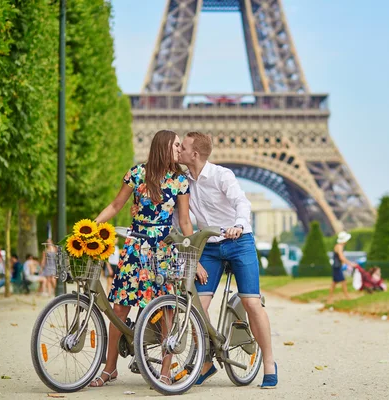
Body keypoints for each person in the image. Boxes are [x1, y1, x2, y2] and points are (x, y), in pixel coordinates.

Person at [89, 130, 192, 387]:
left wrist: (194, 254)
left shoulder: (180, 181)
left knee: (166, 310)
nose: (180, 149)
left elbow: (185, 221)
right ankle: (109, 368)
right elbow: (115, 206)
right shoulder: (136, 174)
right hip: (136, 247)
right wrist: (91, 226)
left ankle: (165, 372)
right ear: (163, 146)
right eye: (176, 145)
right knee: (120, 308)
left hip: (164, 251)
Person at [177, 131, 278, 389]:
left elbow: (241, 203)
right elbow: (180, 216)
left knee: (251, 302)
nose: (179, 150)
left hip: (238, 242)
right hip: (208, 247)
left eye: (184, 147)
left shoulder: (223, 175)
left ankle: (269, 362)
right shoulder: (183, 181)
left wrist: (239, 225)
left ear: (195, 154)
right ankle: (207, 361)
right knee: (197, 307)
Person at [328, 231, 356, 304]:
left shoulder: (339, 246)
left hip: (337, 266)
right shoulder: (339, 246)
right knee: (343, 281)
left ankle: (329, 299)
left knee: (334, 283)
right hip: (337, 267)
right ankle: (347, 296)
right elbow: (341, 257)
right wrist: (350, 263)